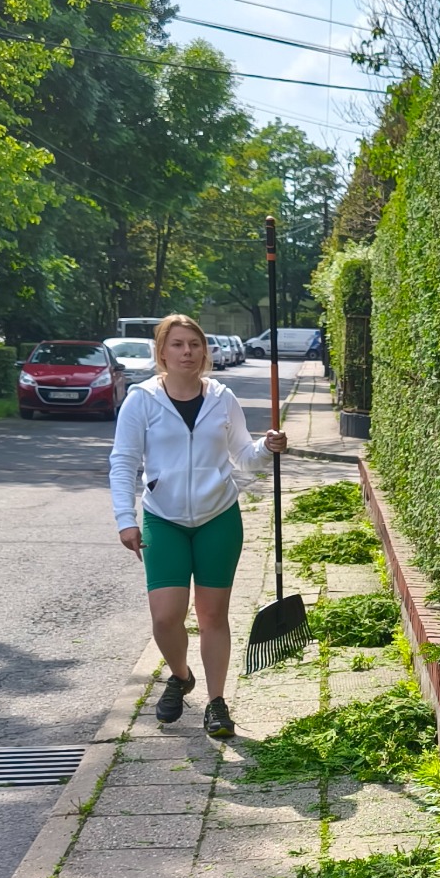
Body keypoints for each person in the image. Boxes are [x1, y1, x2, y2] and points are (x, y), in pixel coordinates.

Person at [109, 314, 286, 738]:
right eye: (178, 345)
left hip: (218, 518)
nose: (187, 352)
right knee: (166, 617)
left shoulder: (222, 398)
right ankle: (181, 675)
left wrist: (268, 446)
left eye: (194, 344)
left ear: (205, 351)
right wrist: (124, 518)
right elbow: (123, 462)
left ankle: (216, 702)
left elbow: (245, 456)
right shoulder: (141, 400)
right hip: (162, 519)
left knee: (212, 616)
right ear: (161, 352)